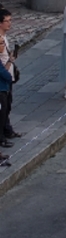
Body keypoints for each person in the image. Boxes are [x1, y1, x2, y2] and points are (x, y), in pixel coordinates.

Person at [0, 9, 17, 151]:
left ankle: (7, 129)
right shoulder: (0, 39)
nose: (10, 23)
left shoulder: (4, 38)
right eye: (7, 21)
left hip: (7, 77)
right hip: (3, 79)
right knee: (3, 108)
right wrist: (9, 62)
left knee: (8, 106)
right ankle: (2, 137)